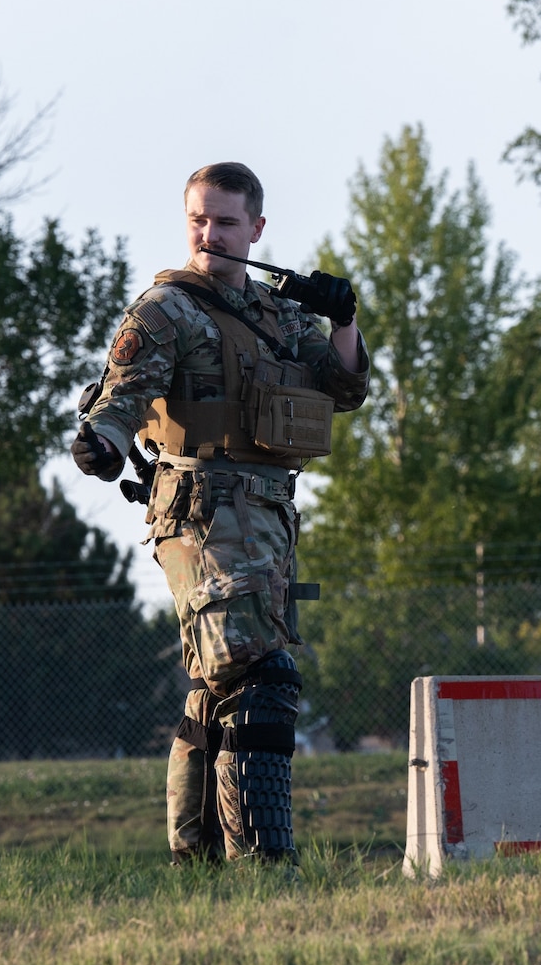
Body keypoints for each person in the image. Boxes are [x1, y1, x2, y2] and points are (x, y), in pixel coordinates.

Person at [72, 162, 368, 864]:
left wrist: (344, 317)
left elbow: (345, 387)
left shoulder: (279, 312)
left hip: (267, 511)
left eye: (226, 222)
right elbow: (122, 391)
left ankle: (195, 857)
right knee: (260, 675)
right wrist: (104, 443)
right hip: (200, 510)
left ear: (256, 229)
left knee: (216, 687)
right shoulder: (165, 309)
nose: (210, 234)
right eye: (199, 220)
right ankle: (260, 857)